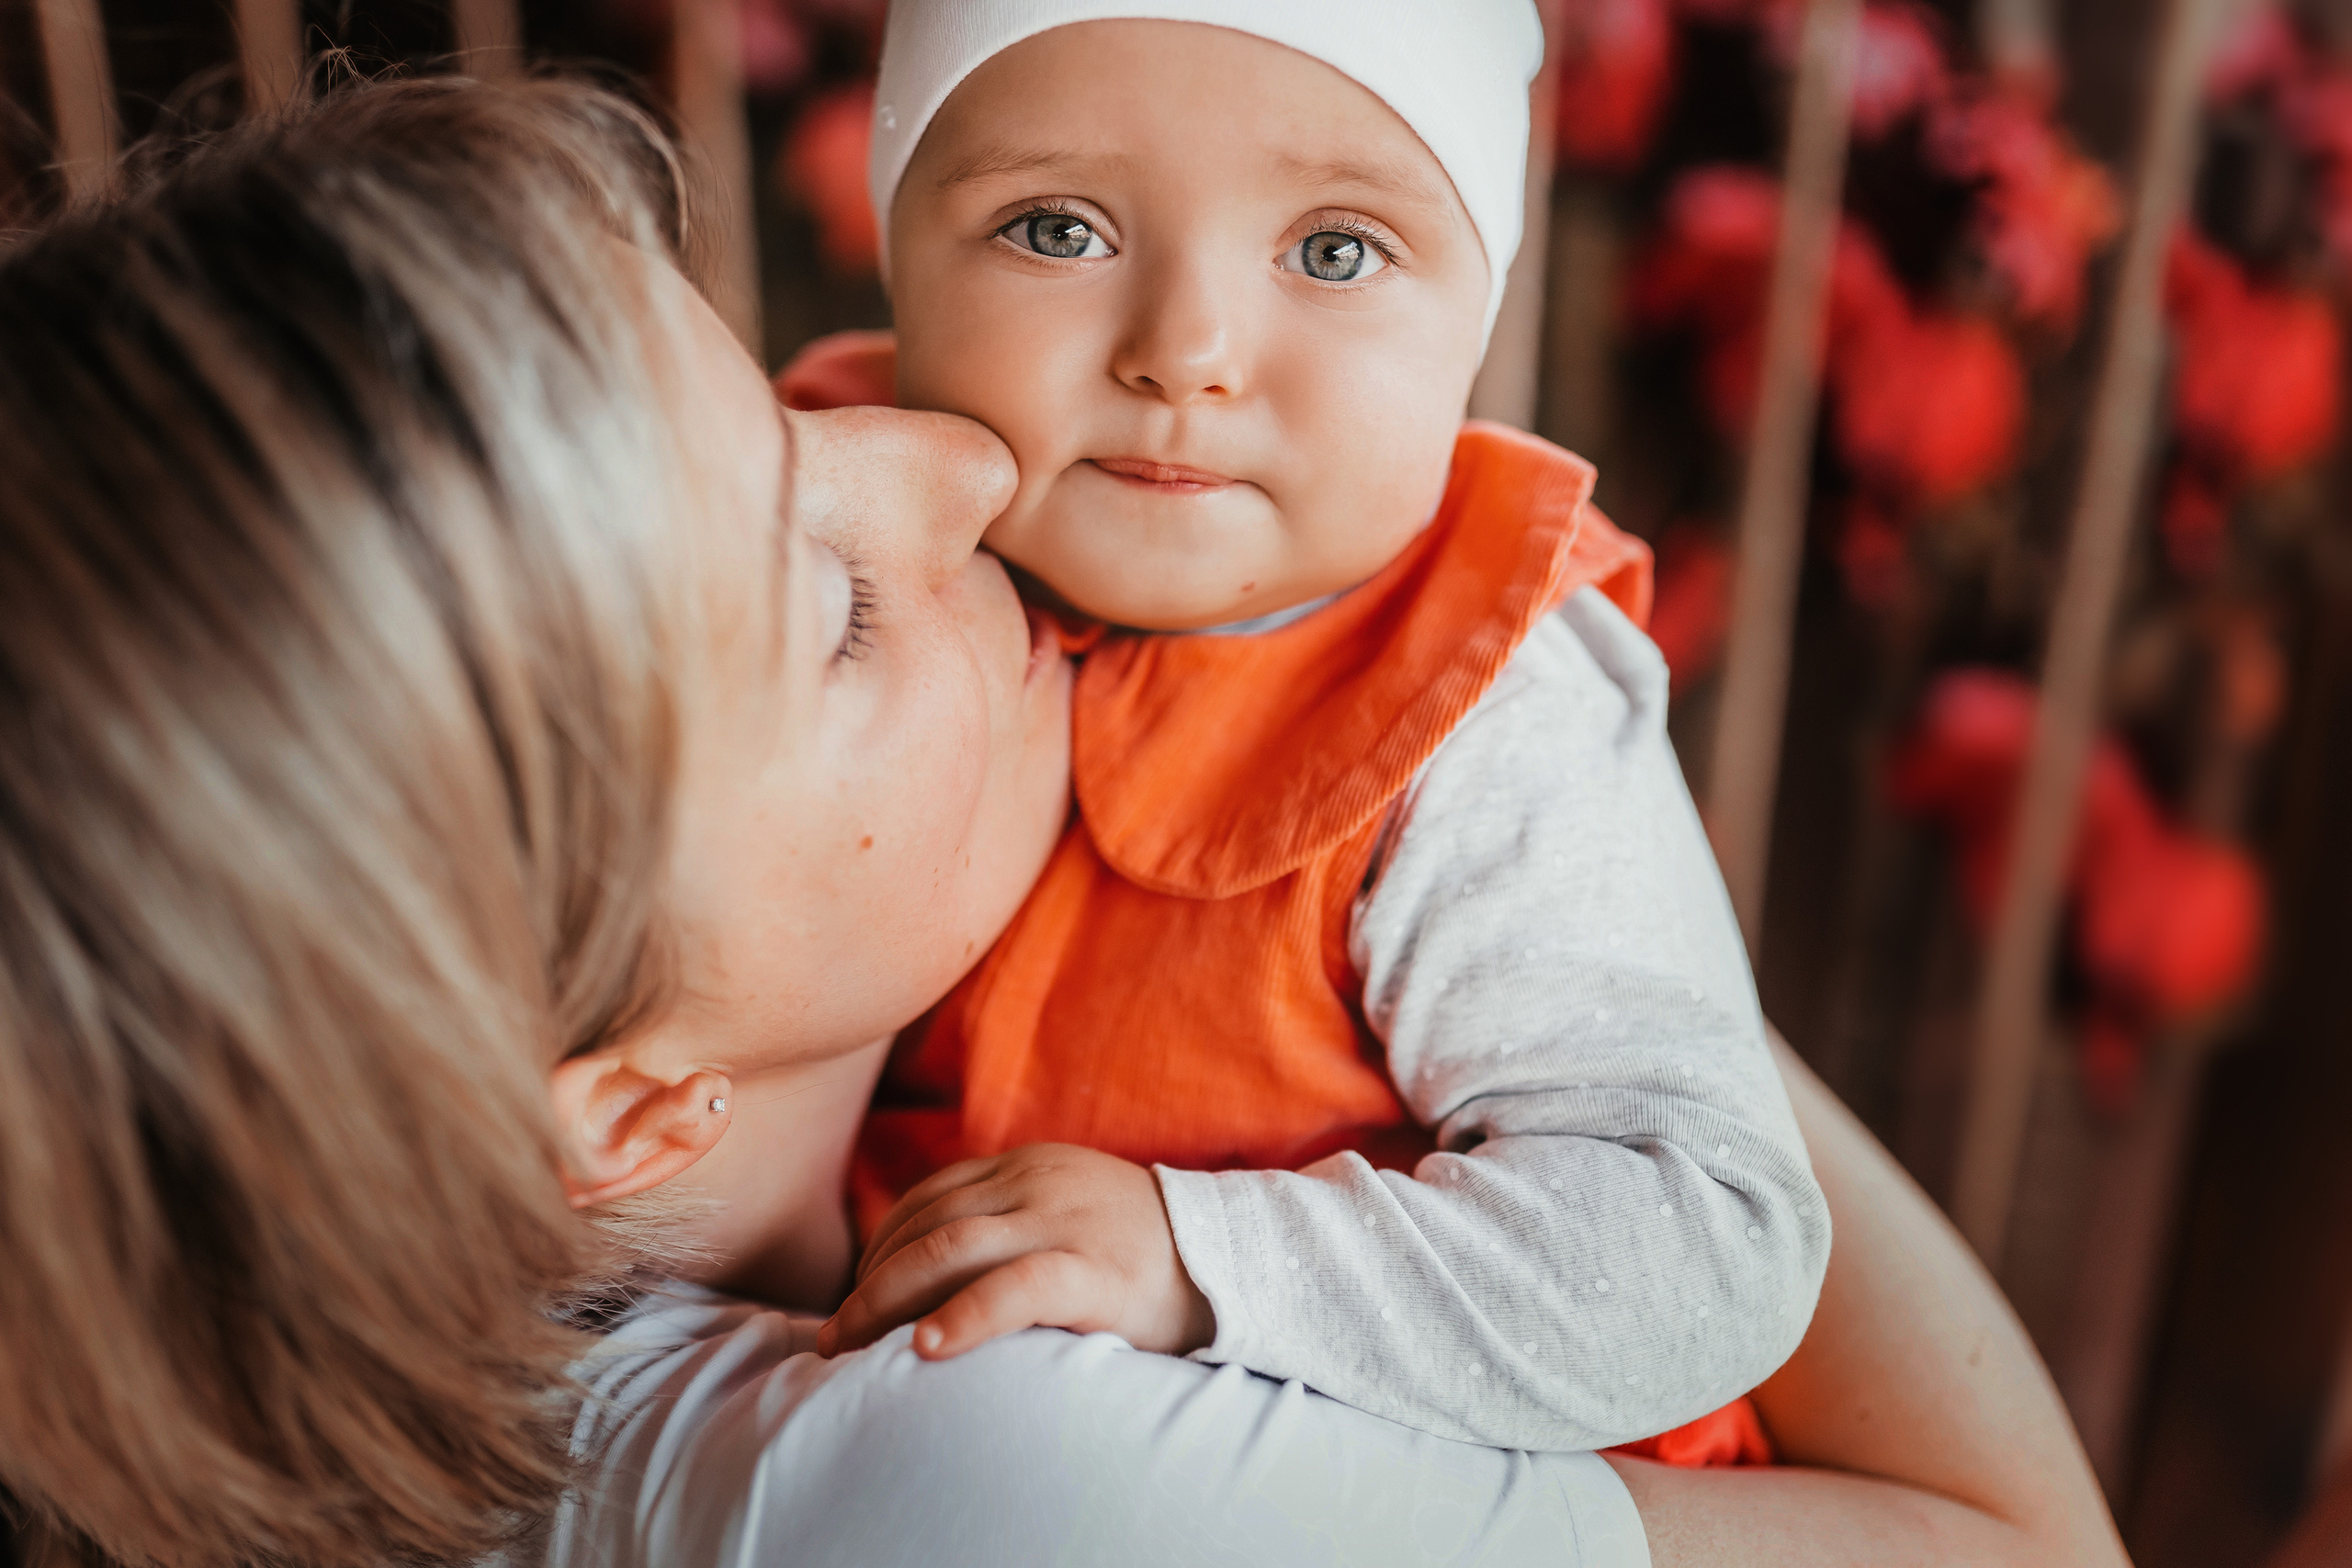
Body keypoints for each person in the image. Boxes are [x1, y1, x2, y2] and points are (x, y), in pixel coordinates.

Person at [0, 76, 2126, 1568]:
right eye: (824, 610)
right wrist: (1492, 787)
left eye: (785, 410)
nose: (951, 465)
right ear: (624, 1106)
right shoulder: (967, 1481)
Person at [785, 0, 1823, 1462]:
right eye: (1057, 230)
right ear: (900, 260)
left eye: (1336, 250)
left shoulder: (1483, 709)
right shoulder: (816, 533)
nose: (1186, 353)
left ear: (1479, 314)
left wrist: (1202, 1257)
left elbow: (1704, 1240)